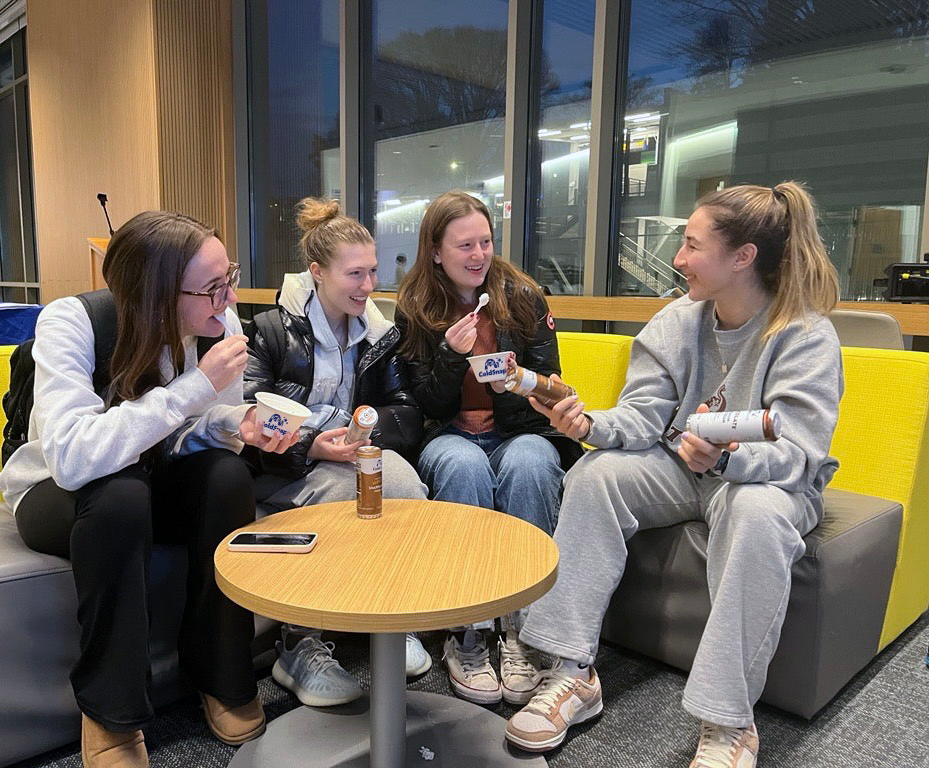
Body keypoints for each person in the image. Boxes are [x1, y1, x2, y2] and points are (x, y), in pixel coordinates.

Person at [505, 182, 842, 767]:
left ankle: (731, 723)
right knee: (596, 475)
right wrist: (585, 426)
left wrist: (730, 459)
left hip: (766, 482)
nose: (679, 258)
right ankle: (572, 671)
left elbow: (799, 451)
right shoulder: (677, 320)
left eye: (691, 244)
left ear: (742, 257)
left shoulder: (805, 334)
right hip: (682, 468)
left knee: (757, 513)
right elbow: (642, 416)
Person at [0, 211, 297, 768]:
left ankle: (221, 675)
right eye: (212, 289)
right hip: (54, 488)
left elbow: (184, 434)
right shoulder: (73, 322)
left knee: (227, 475)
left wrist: (237, 424)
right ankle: (110, 713)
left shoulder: (214, 326)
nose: (228, 301)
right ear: (156, 293)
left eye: (227, 277)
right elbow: (71, 458)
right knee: (119, 495)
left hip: (147, 472)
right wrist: (195, 387)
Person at [395, 190, 582, 707]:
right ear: (436, 252)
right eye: (464, 246)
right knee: (462, 464)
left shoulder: (522, 295)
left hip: (518, 430)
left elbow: (553, 388)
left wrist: (519, 383)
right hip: (449, 434)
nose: (478, 255)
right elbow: (423, 403)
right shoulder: (416, 306)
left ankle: (524, 631)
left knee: (533, 462)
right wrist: (452, 357)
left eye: (485, 242)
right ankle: (467, 631)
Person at [241, 197, 431, 708]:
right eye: (354, 274)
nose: (368, 286)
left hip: (350, 450)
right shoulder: (269, 332)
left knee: (408, 486)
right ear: (317, 272)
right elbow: (246, 417)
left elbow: (405, 411)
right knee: (340, 494)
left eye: (372, 271)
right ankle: (298, 644)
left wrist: (363, 430)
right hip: (286, 462)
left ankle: (394, 617)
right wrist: (310, 443)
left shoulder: (377, 332)